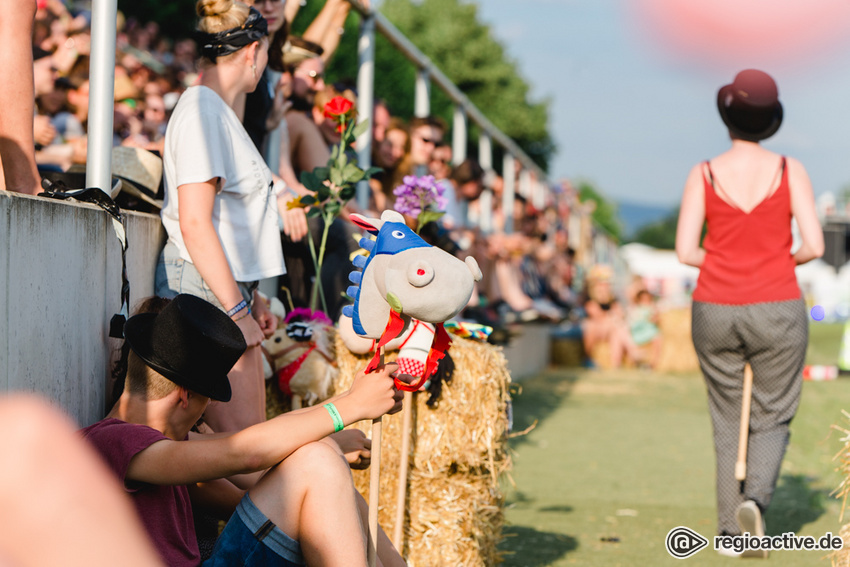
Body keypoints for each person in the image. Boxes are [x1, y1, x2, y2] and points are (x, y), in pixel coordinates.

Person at [82, 293, 407, 567]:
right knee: (318, 462)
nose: (208, 408)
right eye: (209, 398)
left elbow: (256, 446)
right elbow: (246, 453)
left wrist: (350, 404)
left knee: (321, 457)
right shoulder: (113, 441)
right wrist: (350, 409)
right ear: (185, 395)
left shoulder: (155, 443)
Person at [675, 69, 823, 556]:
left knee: (725, 414)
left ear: (728, 117)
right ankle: (756, 498)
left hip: (714, 305)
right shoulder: (789, 170)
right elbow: (814, 245)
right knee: (773, 413)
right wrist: (778, 259)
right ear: (771, 120)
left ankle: (728, 533)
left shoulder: (704, 173)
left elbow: (685, 251)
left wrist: (724, 260)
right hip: (777, 303)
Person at [155, 0, 288, 432]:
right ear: (253, 52)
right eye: (266, 54)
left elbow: (229, 223)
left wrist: (253, 296)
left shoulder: (216, 113)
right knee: (245, 452)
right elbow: (195, 222)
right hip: (209, 294)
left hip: (221, 291)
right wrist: (237, 311)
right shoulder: (202, 110)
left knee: (240, 449)